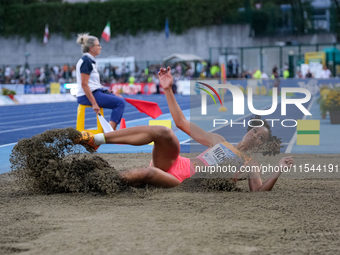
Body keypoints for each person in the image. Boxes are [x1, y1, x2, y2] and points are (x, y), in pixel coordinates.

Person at [75, 67, 294, 191]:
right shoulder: (219, 140)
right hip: (177, 163)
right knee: (164, 132)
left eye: (260, 137)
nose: (254, 135)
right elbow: (180, 122)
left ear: (259, 145)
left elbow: (257, 193)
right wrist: (168, 89)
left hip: (184, 181)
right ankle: (96, 139)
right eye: (255, 130)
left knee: (147, 173)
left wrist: (278, 169)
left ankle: (95, 184)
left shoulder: (250, 163)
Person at [76, 33, 125, 130]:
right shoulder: (86, 61)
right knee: (120, 103)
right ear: (91, 48)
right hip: (86, 95)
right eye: (98, 45)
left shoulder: (91, 61)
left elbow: (93, 84)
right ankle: (110, 133)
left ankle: (110, 132)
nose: (100, 47)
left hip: (95, 92)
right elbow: (84, 85)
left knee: (120, 99)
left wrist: (107, 91)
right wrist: (94, 103)